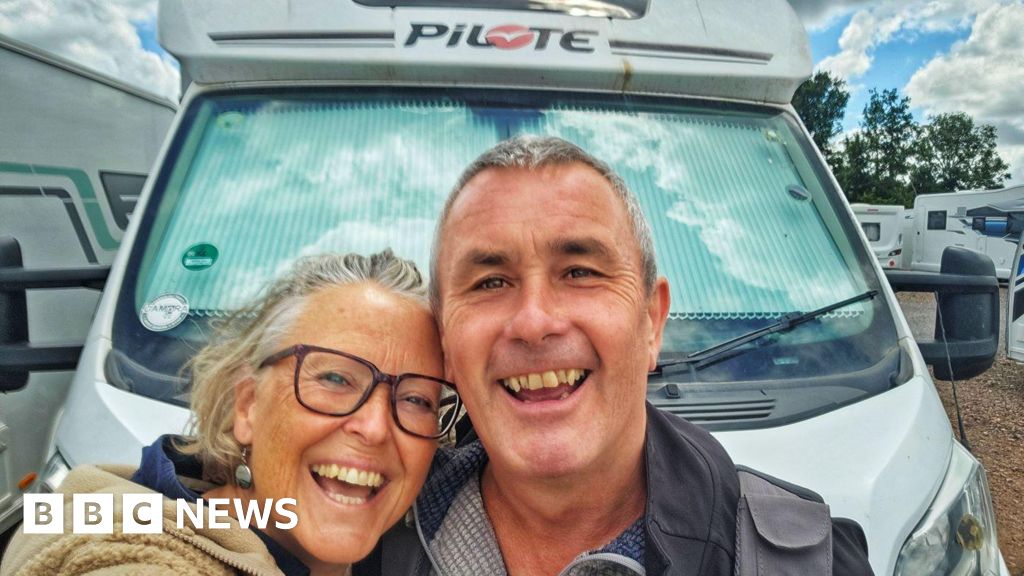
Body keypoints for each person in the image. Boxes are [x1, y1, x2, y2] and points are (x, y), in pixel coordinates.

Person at [361, 136, 873, 575]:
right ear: (446, 344)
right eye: (490, 282)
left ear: (652, 321)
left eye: (580, 272)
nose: (535, 322)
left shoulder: (810, 561)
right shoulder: (362, 543)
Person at [2, 250, 461, 576]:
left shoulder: (416, 543)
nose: (376, 427)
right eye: (335, 379)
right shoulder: (134, 549)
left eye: (416, 400)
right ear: (247, 405)